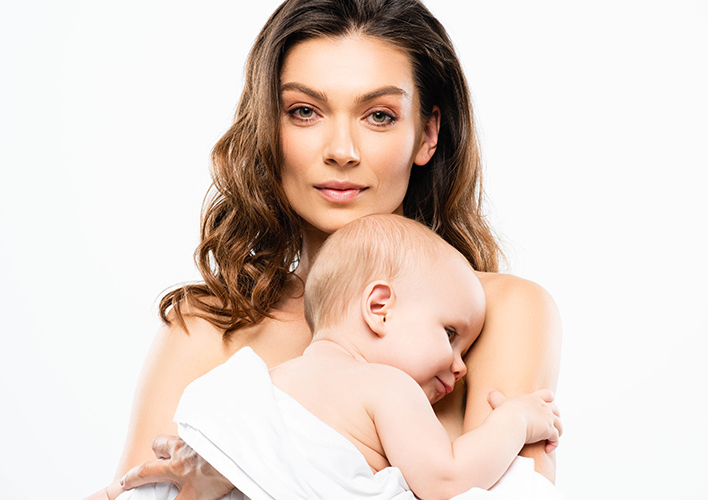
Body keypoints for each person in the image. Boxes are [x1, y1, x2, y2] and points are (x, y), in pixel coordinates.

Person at [88, 1, 563, 498]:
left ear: (427, 135)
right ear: (270, 130)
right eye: (304, 112)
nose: (341, 150)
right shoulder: (206, 328)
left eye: (378, 115)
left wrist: (244, 468)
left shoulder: (499, 314)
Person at [121, 214, 562, 500]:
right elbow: (446, 478)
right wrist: (513, 422)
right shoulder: (389, 387)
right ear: (379, 308)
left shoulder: (266, 380)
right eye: (449, 335)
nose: (461, 365)